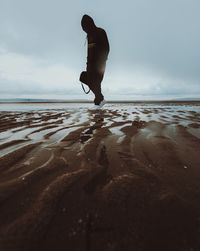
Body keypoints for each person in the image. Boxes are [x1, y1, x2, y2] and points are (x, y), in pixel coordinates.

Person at [80, 14, 110, 107]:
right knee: (83, 78)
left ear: (89, 24)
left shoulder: (101, 32)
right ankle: (99, 101)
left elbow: (107, 48)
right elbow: (89, 52)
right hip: (90, 64)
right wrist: (88, 63)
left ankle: (98, 103)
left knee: (96, 83)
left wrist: (101, 61)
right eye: (83, 28)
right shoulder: (89, 36)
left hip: (99, 64)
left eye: (85, 27)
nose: (84, 29)